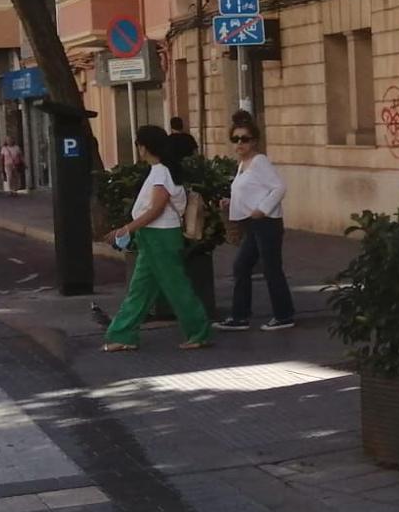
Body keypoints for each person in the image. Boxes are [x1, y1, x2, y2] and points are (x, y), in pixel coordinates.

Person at [101, 124, 212, 352]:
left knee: (173, 286)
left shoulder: (161, 172)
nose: (138, 149)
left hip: (159, 236)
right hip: (156, 236)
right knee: (142, 288)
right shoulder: (163, 170)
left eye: (139, 145)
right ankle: (123, 334)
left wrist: (127, 229)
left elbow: (156, 209)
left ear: (144, 147)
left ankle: (198, 331)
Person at [217, 111, 294, 332]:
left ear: (254, 141)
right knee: (241, 265)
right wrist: (230, 202)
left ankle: (284, 315)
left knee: (271, 269)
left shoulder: (259, 161)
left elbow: (279, 187)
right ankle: (240, 316)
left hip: (267, 223)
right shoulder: (243, 164)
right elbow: (251, 191)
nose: (239, 143)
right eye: (235, 139)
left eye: (244, 139)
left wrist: (263, 209)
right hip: (253, 224)